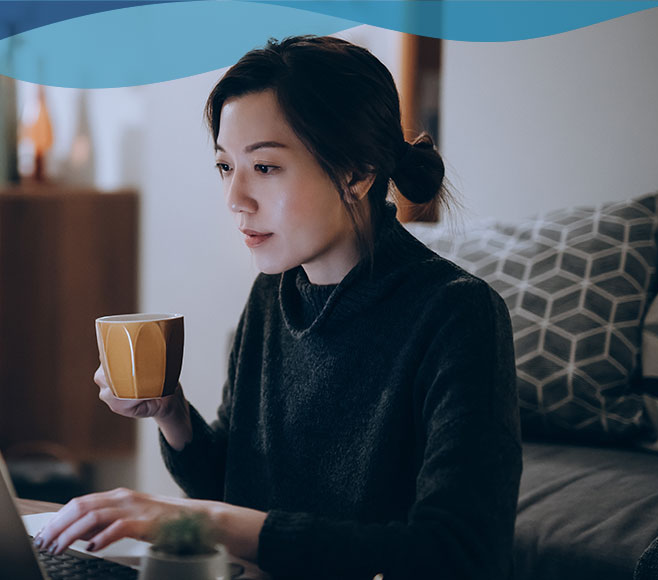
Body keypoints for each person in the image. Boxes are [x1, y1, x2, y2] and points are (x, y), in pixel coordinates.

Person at [33, 35, 522, 580]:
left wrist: (198, 519)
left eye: (264, 167)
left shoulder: (458, 315)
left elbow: (458, 555)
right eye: (226, 167)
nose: (235, 199)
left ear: (357, 173)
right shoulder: (274, 295)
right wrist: (170, 411)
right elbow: (233, 489)